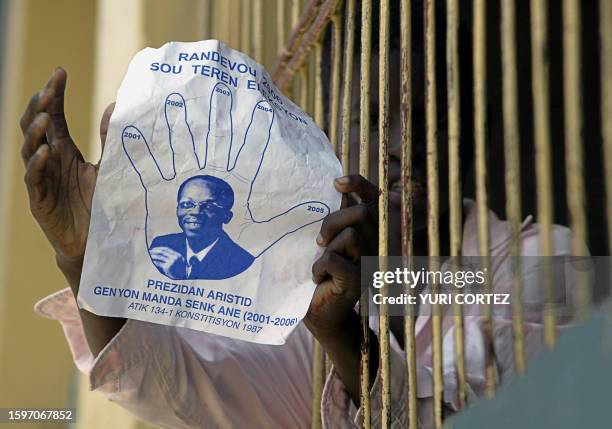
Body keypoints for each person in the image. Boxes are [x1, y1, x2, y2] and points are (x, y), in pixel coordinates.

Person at [21, 1, 575, 427]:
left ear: (470, 132)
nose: (405, 144)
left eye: (429, 111)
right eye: (378, 115)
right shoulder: (294, 289)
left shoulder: (545, 261)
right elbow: (172, 383)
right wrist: (87, 256)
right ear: (332, 139)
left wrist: (345, 337)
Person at [149, 175, 254, 280]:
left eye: (208, 206)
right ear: (177, 209)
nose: (195, 212)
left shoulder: (242, 262)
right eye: (187, 204)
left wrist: (182, 276)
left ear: (226, 216)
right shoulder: (161, 245)